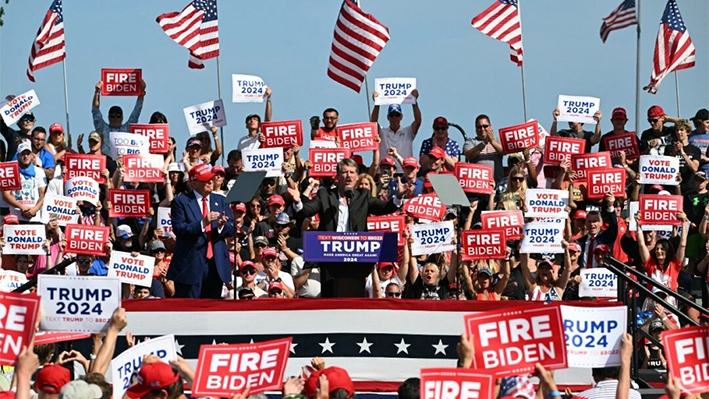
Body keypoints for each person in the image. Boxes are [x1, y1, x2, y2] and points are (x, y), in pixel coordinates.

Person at [168, 163, 236, 299]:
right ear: (193, 183)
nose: (210, 182)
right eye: (206, 179)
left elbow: (232, 228)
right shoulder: (181, 202)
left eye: (211, 178)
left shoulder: (221, 200)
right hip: (190, 266)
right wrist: (203, 223)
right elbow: (179, 229)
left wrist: (222, 226)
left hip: (215, 266)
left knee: (213, 310)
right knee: (189, 312)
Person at [370, 90, 422, 173]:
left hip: (404, 173)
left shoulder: (407, 131)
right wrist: (377, 103)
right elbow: (373, 123)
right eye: (392, 115)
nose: (394, 118)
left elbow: (418, 121)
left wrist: (414, 102)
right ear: (388, 117)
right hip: (384, 174)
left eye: (397, 115)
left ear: (401, 117)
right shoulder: (382, 132)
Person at [92, 79, 146, 156]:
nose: (115, 119)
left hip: (123, 163)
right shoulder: (102, 128)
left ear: (122, 117)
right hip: (106, 163)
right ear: (109, 117)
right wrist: (97, 92)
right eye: (112, 116)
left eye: (118, 116)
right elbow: (95, 111)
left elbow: (137, 111)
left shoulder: (127, 129)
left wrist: (141, 92)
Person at [2, 141, 46, 222]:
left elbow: (42, 194)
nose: (26, 156)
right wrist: (21, 207)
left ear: (32, 155)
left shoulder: (39, 172)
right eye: (23, 154)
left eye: (28, 153)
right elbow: (6, 195)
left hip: (35, 218)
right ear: (18, 155)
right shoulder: (10, 171)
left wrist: (34, 209)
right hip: (16, 218)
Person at [577, 194, 618, 269]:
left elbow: (613, 226)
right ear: (586, 223)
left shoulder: (606, 238)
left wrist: (610, 206)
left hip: (601, 276)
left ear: (601, 223)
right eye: (589, 221)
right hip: (584, 277)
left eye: (595, 221)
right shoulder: (580, 242)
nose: (592, 224)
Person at [463, 114, 505, 182]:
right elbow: (469, 155)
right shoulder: (471, 142)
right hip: (478, 186)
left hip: (497, 185)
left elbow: (504, 151)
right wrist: (484, 143)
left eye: (485, 126)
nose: (482, 129)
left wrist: (492, 142)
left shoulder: (498, 140)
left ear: (490, 126)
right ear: (475, 128)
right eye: (479, 127)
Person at [664, 119, 700, 193]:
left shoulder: (695, 150)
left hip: (689, 189)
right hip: (672, 188)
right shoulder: (669, 148)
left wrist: (682, 152)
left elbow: (694, 168)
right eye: (677, 130)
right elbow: (666, 165)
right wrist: (674, 152)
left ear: (688, 132)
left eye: (681, 130)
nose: (679, 132)